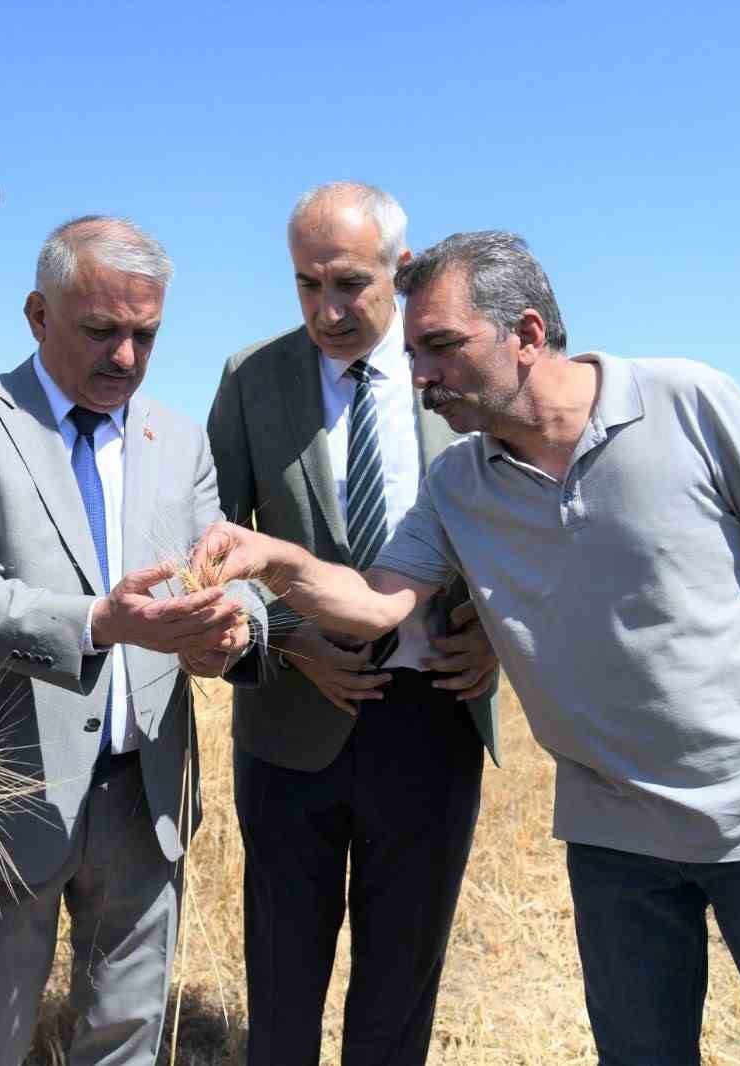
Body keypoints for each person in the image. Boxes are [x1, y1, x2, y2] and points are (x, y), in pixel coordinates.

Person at [193, 231, 740, 1065]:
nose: (421, 376)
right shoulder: (459, 482)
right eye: (414, 353)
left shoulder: (689, 401)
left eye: (440, 348)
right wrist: (281, 564)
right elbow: (373, 604)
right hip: (614, 839)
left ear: (528, 335)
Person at [0, 216, 259, 1066]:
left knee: (125, 1039)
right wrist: (99, 623)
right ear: (36, 314)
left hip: (147, 798)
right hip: (5, 797)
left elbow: (225, 566)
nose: (126, 358)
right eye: (101, 331)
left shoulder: (179, 439)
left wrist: (240, 624)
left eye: (145, 335)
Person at [200, 182, 499, 1066]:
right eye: (306, 285)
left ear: (400, 271)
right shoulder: (251, 381)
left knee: (400, 989)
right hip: (292, 728)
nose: (327, 310)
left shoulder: (453, 373)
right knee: (283, 986)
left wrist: (496, 636)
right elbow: (211, 540)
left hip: (434, 717)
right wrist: (289, 643)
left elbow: (528, 532)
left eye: (349, 285)